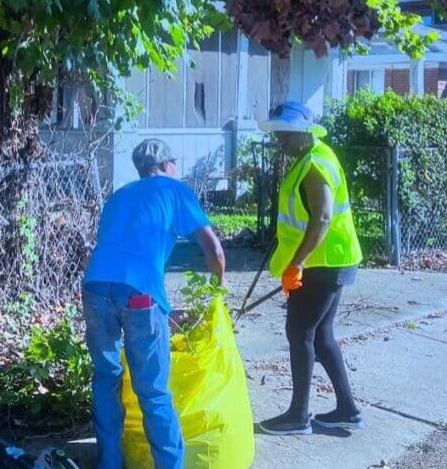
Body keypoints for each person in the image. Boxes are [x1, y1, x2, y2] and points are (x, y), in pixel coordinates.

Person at [82, 139, 226, 469]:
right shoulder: (175, 190)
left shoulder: (119, 196)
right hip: (138, 294)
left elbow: (119, 261)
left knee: (106, 377)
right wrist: (221, 289)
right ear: (166, 166)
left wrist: (162, 312)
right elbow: (214, 251)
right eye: (174, 164)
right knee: (153, 390)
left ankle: (109, 463)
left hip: (94, 288)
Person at [256, 101, 365, 435]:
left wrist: (297, 263)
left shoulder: (314, 164)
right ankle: (347, 409)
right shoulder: (313, 156)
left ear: (304, 133)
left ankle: (297, 417)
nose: (281, 143)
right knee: (320, 336)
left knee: (300, 333)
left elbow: (321, 217)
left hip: (320, 264)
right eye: (278, 136)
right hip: (332, 260)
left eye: (286, 136)